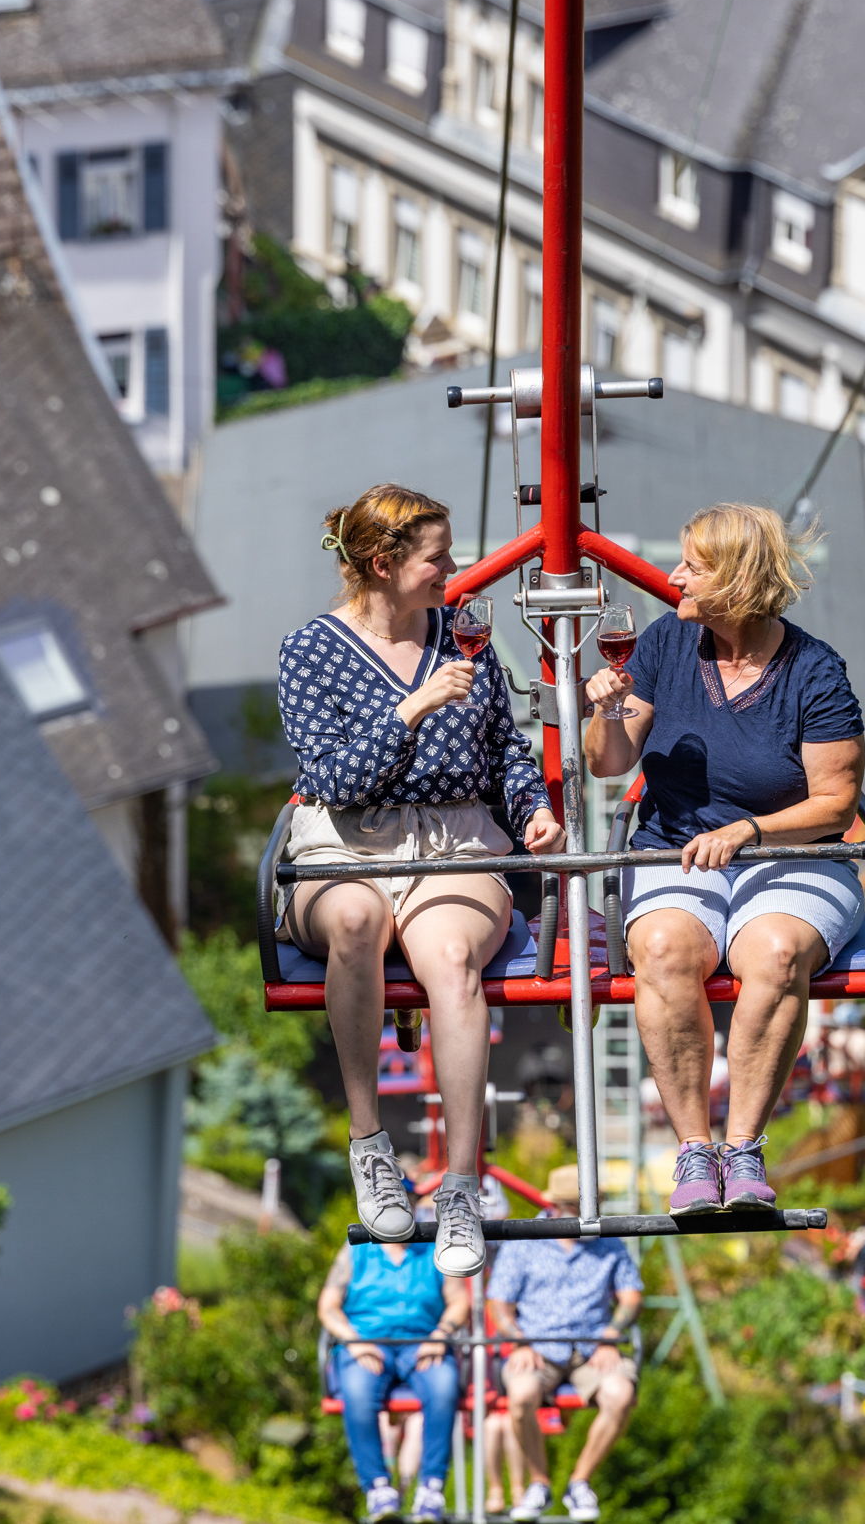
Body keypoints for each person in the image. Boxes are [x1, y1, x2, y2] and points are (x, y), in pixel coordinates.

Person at [279, 483, 563, 1276]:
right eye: (438, 558)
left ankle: (463, 1185)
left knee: (448, 960)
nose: (453, 571)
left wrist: (531, 808)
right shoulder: (311, 650)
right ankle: (370, 1142)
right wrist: (412, 708)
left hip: (455, 837)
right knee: (355, 923)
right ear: (383, 564)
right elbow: (332, 780)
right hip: (348, 841)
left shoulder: (462, 634)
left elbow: (505, 744)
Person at [581, 503, 865, 1214]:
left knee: (772, 951)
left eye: (693, 566)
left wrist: (750, 830)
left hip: (793, 852)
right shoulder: (663, 647)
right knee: (663, 944)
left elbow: (836, 802)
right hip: (676, 849)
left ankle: (743, 1147)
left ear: (737, 580)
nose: (673, 576)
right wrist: (607, 711)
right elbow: (608, 764)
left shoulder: (814, 671)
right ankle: (693, 1151)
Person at [487, 1166, 643, 1522]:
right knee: (522, 1395)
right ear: (556, 1205)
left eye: (592, 1204)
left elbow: (631, 1297)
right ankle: (539, 1483)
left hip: (593, 1348)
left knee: (620, 1394)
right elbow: (500, 1304)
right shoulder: (525, 1240)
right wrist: (520, 1342)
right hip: (539, 1346)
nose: (588, 1212)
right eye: (578, 1205)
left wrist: (611, 1334)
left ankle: (580, 1482)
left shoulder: (609, 1242)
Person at [318, 1234, 471, 1522]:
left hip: (422, 1342)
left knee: (443, 1388)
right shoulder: (356, 1249)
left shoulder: (435, 1248)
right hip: (368, 1343)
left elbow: (459, 1300)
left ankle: (431, 1488)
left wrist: (440, 1334)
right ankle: (377, 1488)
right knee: (358, 1393)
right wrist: (353, 1341)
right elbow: (328, 1305)